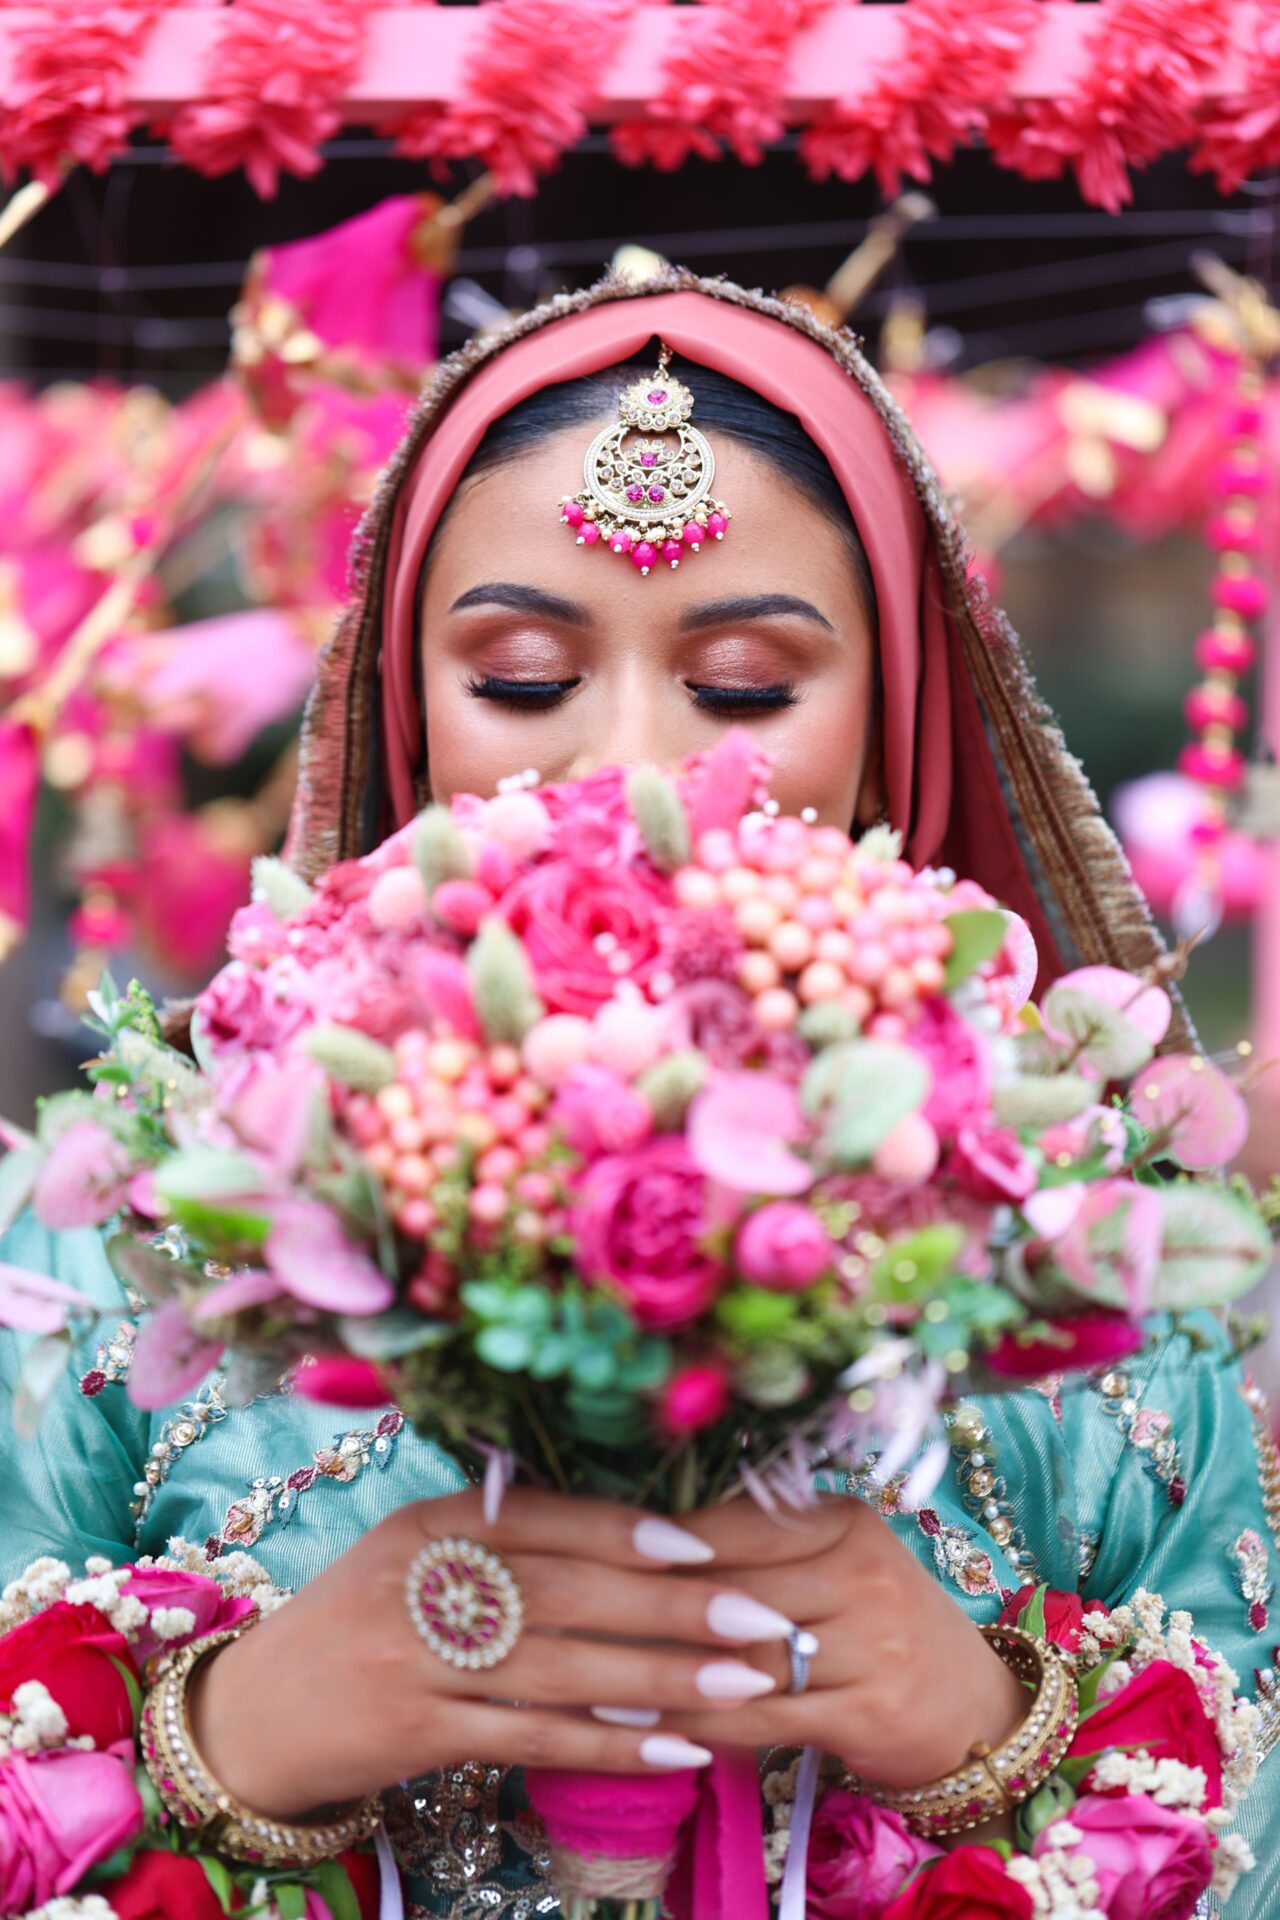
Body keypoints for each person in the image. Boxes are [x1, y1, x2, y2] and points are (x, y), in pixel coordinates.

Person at [2, 268, 1277, 1917]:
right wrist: (236, 1736)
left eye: (745, 687)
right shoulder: (152, 1223)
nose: (625, 765)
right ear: (408, 713)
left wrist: (973, 1724)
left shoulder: (1086, 1255)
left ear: (892, 739)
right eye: (523, 678)